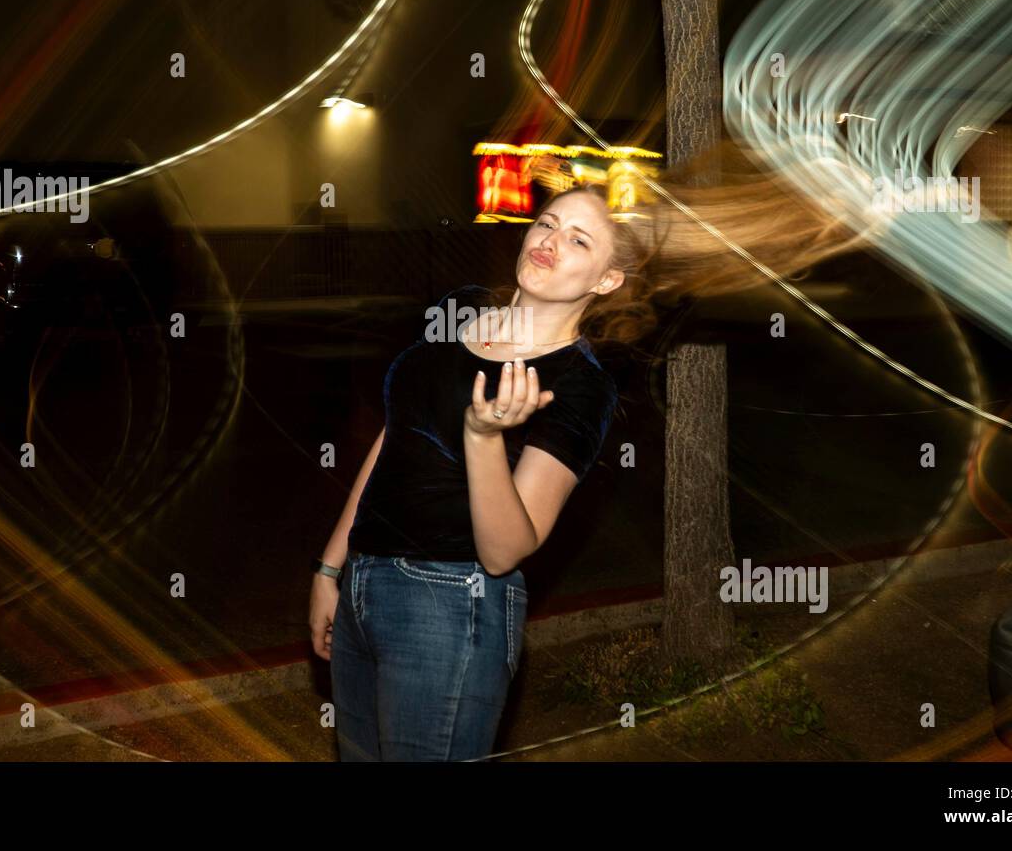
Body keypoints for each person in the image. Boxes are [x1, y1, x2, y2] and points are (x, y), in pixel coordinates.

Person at [309, 150, 868, 761]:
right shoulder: (460, 307)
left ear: (606, 281)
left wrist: (484, 436)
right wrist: (333, 568)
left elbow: (505, 550)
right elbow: (396, 440)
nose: (550, 241)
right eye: (547, 224)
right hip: (365, 580)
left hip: (451, 604)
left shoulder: (577, 383)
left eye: (578, 240)